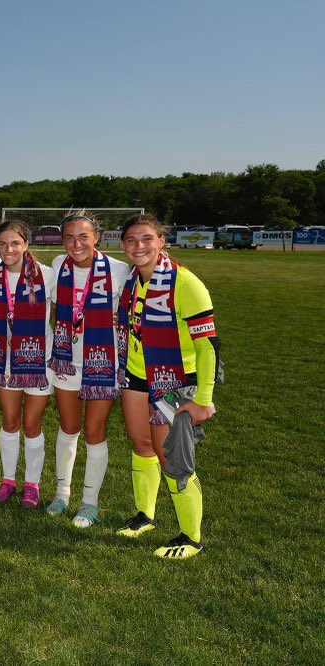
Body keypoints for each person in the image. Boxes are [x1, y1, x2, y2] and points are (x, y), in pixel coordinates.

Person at [116, 214, 219, 559]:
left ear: (162, 241)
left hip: (175, 380)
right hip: (136, 375)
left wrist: (204, 398)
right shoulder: (132, 280)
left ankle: (192, 537)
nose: (139, 246)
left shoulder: (185, 283)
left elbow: (207, 346)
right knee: (141, 443)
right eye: (132, 240)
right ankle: (145, 516)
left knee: (171, 456)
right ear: (123, 245)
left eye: (147, 238)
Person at [44, 211, 129, 526]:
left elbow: (138, 304)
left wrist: (122, 317)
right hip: (66, 359)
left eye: (83, 236)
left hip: (102, 361)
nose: (76, 244)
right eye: (69, 237)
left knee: (94, 431)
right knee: (68, 428)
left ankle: (90, 503)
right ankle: (62, 494)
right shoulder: (58, 266)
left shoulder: (119, 270)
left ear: (97, 237)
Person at [0, 219, 56, 509]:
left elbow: (70, 308)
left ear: (26, 244)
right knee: (10, 421)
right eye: (3, 243)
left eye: (15, 243)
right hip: (4, 360)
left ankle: (32, 484)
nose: (9, 249)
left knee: (31, 425)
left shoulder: (47, 275)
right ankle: (8, 480)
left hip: (39, 362)